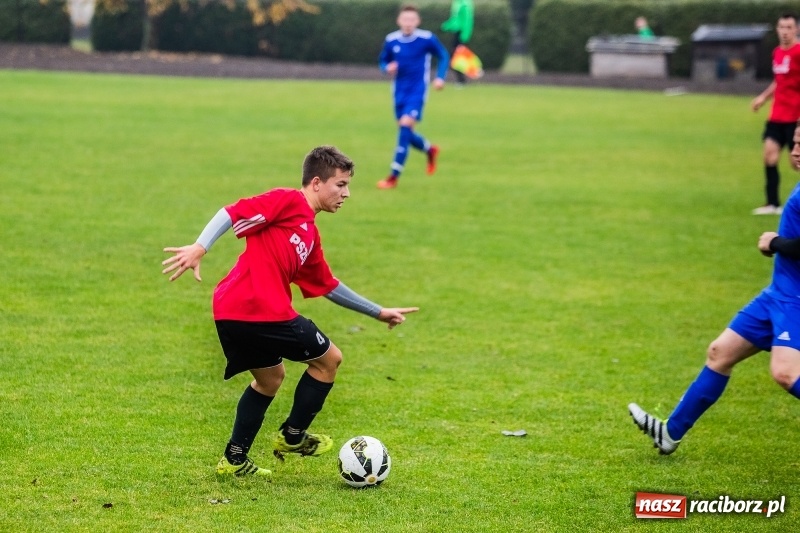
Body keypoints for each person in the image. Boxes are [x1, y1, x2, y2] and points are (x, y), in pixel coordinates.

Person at [162, 146, 418, 477]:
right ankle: (292, 436)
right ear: (316, 182)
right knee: (329, 360)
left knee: (269, 381)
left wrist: (377, 311)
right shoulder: (289, 201)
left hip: (232, 310)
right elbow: (232, 212)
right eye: (340, 185)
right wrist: (200, 246)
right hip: (258, 308)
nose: (346, 193)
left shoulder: (309, 234)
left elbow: (327, 284)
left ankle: (234, 460)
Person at [629, 125, 800, 455]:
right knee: (720, 353)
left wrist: (775, 242)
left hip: (795, 301)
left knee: (785, 372)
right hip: (776, 295)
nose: (795, 150)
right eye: (794, 143)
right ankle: (670, 434)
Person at [377, 5, 450, 190]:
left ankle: (393, 177)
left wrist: (440, 77)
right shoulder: (391, 40)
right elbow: (383, 60)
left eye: (412, 20)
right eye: (405, 19)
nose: (408, 23)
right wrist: (387, 67)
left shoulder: (426, 38)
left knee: (404, 128)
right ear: (399, 21)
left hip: (417, 91)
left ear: (417, 21)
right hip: (398, 92)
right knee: (406, 132)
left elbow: (443, 55)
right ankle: (430, 149)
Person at [750, 13, 800, 215]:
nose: (785, 31)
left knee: (796, 163)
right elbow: (778, 81)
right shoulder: (777, 52)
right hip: (777, 115)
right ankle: (772, 204)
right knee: (769, 156)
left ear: (796, 29)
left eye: (789, 27)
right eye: (781, 27)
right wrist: (763, 98)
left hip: (795, 117)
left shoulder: (798, 52)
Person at [441, 0, 475, 86]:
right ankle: (461, 80)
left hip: (462, 34)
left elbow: (468, 21)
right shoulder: (456, 2)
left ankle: (463, 79)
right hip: (456, 33)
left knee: (457, 57)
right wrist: (447, 26)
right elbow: (455, 19)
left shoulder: (465, 3)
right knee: (454, 57)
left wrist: (464, 37)